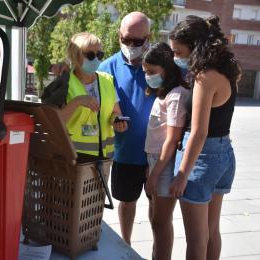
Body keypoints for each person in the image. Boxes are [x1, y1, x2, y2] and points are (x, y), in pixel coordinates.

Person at [168, 15, 241, 260]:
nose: (176, 58)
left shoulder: (203, 77)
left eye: (178, 52)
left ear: (194, 47)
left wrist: (181, 175)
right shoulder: (225, 70)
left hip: (202, 158)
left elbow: (199, 132)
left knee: (196, 239)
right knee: (211, 232)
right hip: (223, 154)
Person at [98, 11, 155, 244]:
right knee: (127, 202)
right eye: (126, 39)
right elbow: (102, 108)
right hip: (124, 152)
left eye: (138, 41)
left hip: (157, 154)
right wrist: (113, 121)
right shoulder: (106, 67)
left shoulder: (160, 65)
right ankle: (126, 244)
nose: (131, 45)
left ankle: (158, 247)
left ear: (149, 38)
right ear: (119, 35)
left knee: (158, 206)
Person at [143, 43, 190, 260]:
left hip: (164, 164)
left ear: (166, 68)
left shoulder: (176, 94)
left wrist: (154, 174)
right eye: (145, 72)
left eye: (152, 72)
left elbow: (172, 140)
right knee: (156, 220)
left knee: (161, 223)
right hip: (154, 161)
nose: (148, 76)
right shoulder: (164, 92)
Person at [58, 32, 127, 157]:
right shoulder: (64, 83)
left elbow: (116, 112)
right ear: (75, 56)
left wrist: (117, 121)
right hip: (72, 158)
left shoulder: (107, 80)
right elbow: (56, 122)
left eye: (99, 55)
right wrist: (77, 101)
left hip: (103, 159)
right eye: (90, 55)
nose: (95, 59)